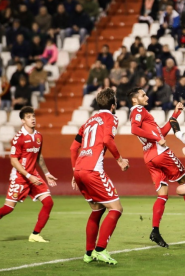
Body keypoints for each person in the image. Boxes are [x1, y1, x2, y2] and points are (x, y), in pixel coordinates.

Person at [127, 88, 185, 248]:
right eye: (143, 95)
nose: (147, 96)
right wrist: (157, 137)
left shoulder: (144, 115)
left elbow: (162, 132)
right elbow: (134, 129)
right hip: (161, 153)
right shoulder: (138, 110)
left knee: (162, 194)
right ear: (135, 100)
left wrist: (175, 115)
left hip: (149, 157)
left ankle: (155, 230)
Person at [0, 106, 58, 243]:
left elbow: (39, 156)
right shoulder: (18, 138)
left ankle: (35, 234)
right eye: (29, 117)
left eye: (33, 116)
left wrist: (47, 173)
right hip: (20, 177)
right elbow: (13, 161)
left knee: (48, 202)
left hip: (33, 174)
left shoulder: (38, 136)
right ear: (22, 120)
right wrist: (28, 175)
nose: (33, 119)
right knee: (7, 208)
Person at [70, 88, 129, 264]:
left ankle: (88, 254)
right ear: (113, 105)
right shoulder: (111, 117)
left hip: (79, 169)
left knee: (97, 209)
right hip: (93, 170)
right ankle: (101, 250)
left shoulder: (88, 121)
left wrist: (74, 171)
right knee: (116, 208)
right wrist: (119, 160)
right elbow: (108, 140)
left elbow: (73, 148)